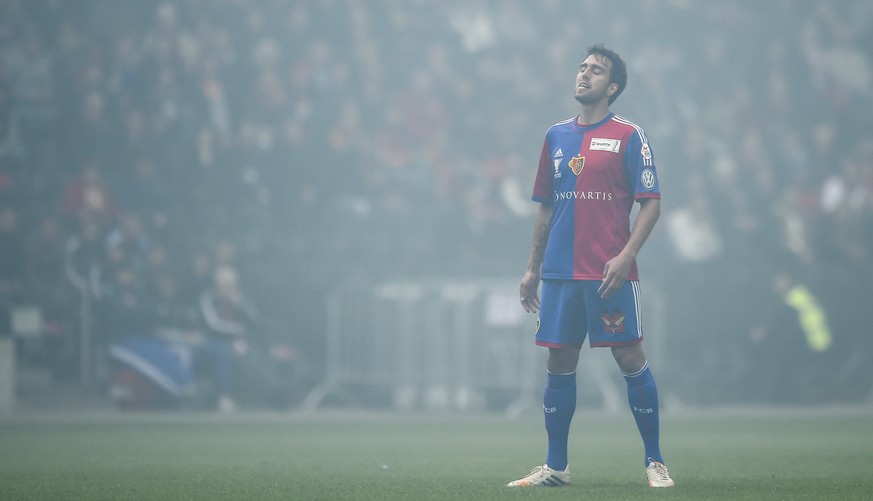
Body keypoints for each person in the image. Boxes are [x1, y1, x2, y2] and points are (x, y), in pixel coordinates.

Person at [508, 44, 674, 489]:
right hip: (560, 274)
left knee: (629, 356)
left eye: (596, 71)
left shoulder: (629, 134)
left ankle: (655, 461)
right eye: (582, 67)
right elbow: (543, 208)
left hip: (608, 273)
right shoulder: (555, 136)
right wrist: (531, 268)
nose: (584, 74)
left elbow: (651, 203)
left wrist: (626, 256)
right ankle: (556, 467)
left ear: (612, 86)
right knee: (559, 361)